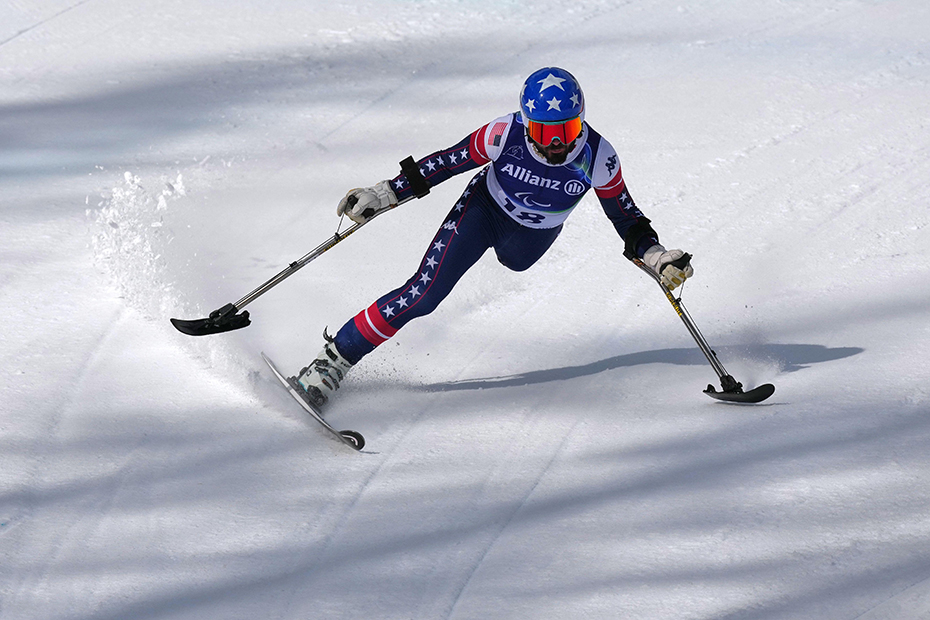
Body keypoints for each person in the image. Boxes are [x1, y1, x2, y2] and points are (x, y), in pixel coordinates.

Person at [291, 67, 693, 409]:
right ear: (526, 121)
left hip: (533, 236)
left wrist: (656, 256)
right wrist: (386, 193)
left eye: (567, 129)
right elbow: (446, 162)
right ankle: (333, 360)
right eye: (544, 130)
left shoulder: (598, 157)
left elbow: (626, 218)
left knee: (515, 262)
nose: (556, 143)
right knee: (426, 293)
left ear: (582, 121)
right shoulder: (504, 134)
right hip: (483, 211)